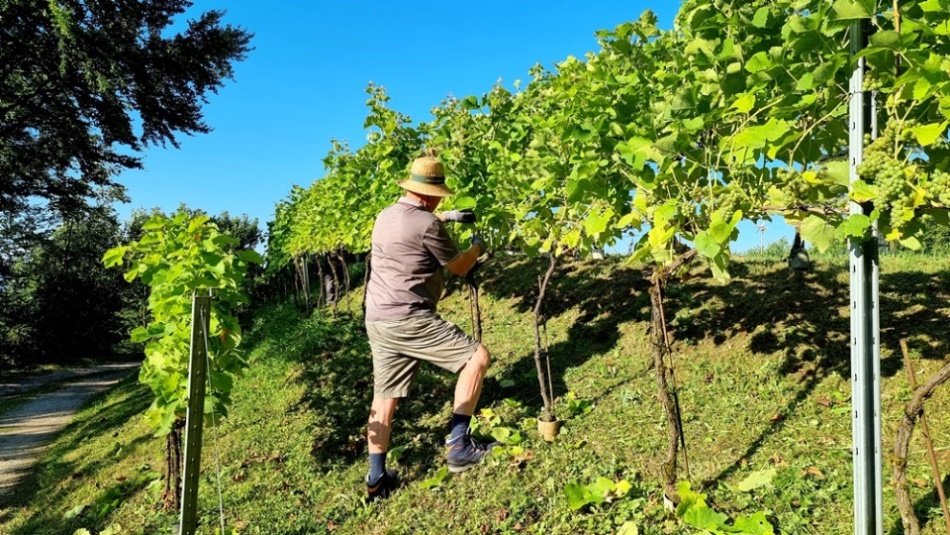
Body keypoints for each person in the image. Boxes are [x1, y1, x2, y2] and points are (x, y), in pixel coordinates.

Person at [362, 150, 493, 501]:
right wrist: (478, 247)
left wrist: (450, 217)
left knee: (384, 397)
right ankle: (459, 445)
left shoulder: (385, 216)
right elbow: (459, 266)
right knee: (476, 358)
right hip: (409, 317)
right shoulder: (427, 224)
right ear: (429, 195)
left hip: (378, 319)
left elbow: (416, 221)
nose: (439, 203)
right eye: (438, 198)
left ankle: (376, 479)